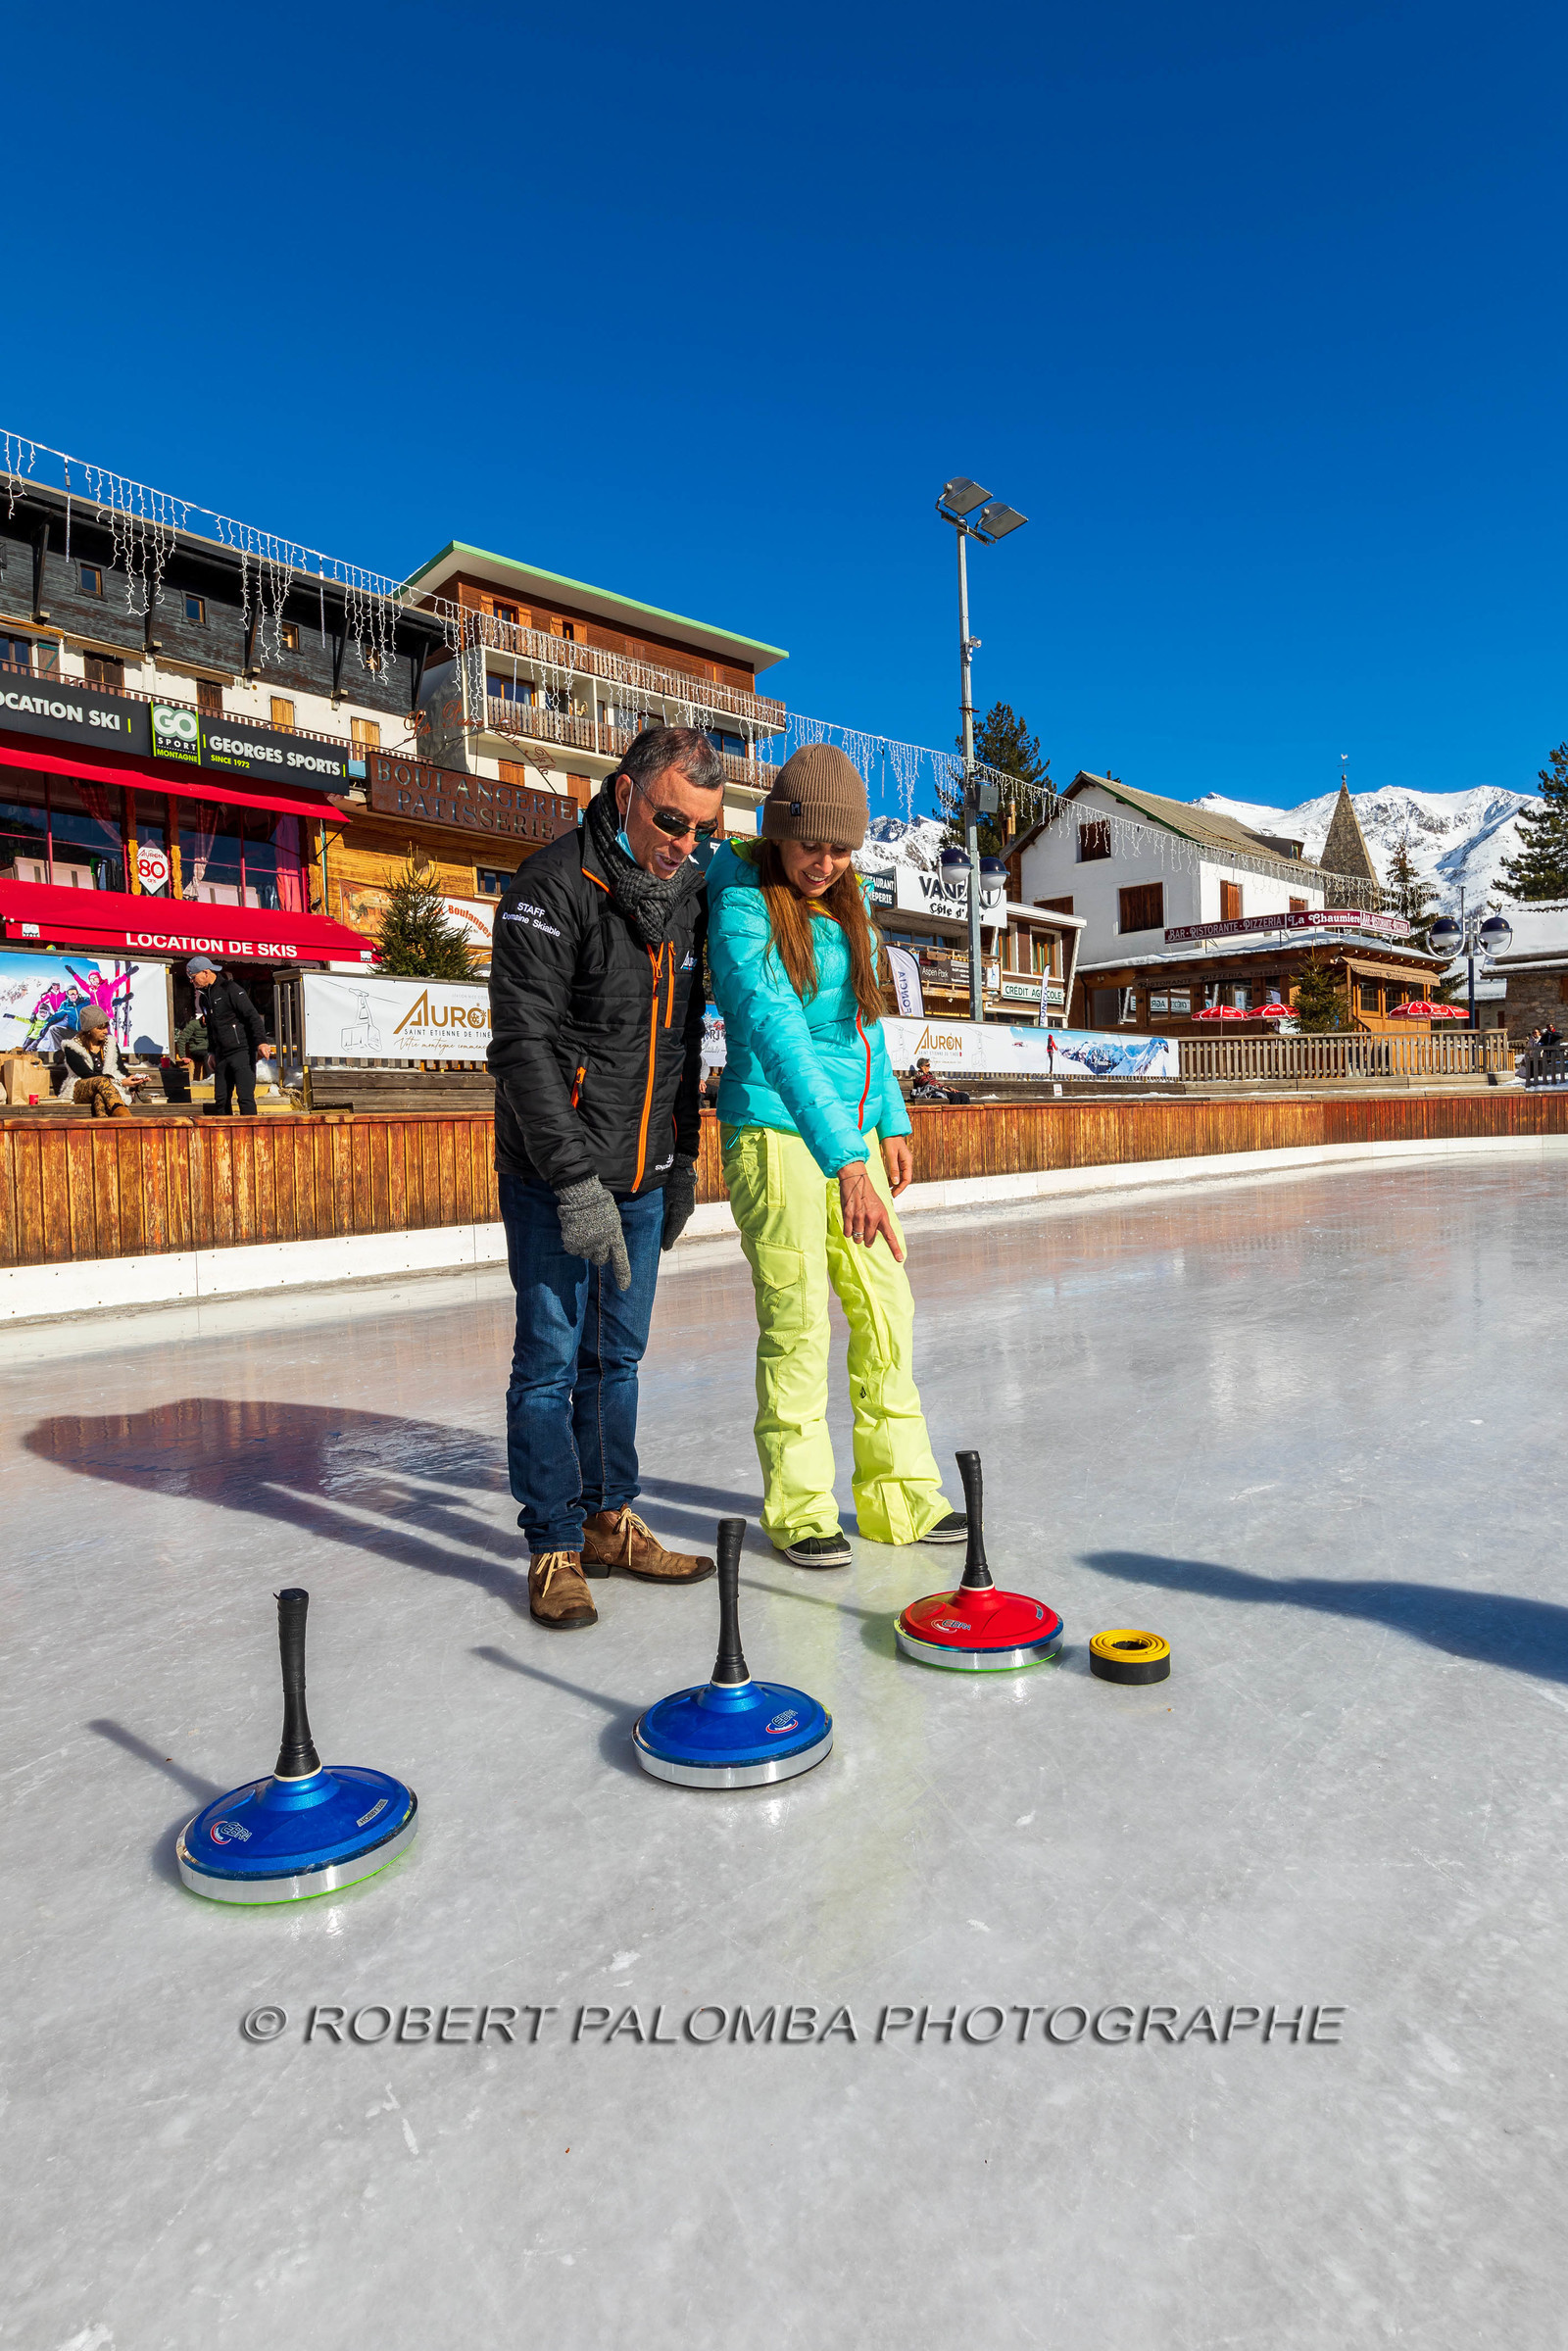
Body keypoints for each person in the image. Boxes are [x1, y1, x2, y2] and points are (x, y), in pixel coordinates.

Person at [706, 744, 963, 1568]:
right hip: (774, 1130)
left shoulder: (852, 905)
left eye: (842, 847)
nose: (826, 861)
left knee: (888, 1310)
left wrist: (891, 1121)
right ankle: (804, 1507)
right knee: (799, 1324)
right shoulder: (743, 901)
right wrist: (844, 1160)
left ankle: (900, 1497)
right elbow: (777, 1032)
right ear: (781, 829)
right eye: (812, 843)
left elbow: (865, 1025)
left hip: (848, 1137)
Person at [488, 726, 722, 1631]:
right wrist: (577, 1182)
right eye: (671, 820)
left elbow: (679, 1049)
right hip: (557, 1176)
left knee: (616, 1359)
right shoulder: (551, 888)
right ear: (623, 793)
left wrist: (683, 1161)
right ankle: (551, 1542)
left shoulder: (689, 896)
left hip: (644, 1173)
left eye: (700, 829)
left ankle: (608, 1518)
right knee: (549, 1361)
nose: (684, 843)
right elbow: (524, 1050)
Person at [184, 958, 265, 1116]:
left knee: (245, 1097)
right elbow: (211, 1027)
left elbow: (252, 1016)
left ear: (206, 973)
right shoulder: (204, 998)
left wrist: (261, 1042)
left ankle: (251, 1136)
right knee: (221, 1099)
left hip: (242, 1050)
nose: (192, 982)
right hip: (221, 1054)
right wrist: (211, 1052)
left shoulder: (231, 989)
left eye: (193, 977)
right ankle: (224, 1137)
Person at [59, 1007, 150, 1115]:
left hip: (106, 1090)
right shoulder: (72, 1047)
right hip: (81, 1088)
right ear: (89, 1029)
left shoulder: (110, 1043)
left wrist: (135, 1078)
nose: (105, 1031)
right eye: (100, 1028)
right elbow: (86, 1074)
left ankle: (105, 1124)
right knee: (100, 1081)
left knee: (100, 1096)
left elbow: (120, 1069)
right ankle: (125, 1118)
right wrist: (120, 1082)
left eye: (106, 1027)